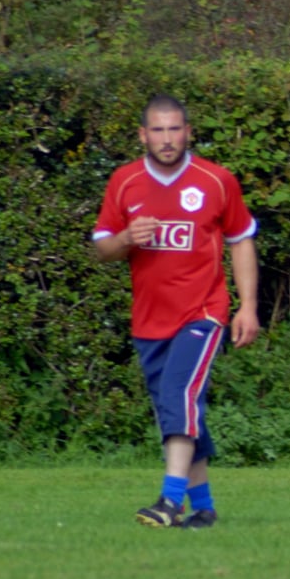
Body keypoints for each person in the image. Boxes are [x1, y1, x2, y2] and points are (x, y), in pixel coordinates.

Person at [91, 95, 260, 527]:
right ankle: (203, 508)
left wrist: (248, 307)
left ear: (189, 132)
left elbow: (241, 238)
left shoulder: (216, 181)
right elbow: (102, 249)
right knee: (182, 412)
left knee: (178, 398)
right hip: (149, 320)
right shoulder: (125, 182)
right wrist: (128, 238)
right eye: (158, 130)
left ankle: (170, 501)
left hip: (202, 313)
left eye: (175, 129)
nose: (167, 139)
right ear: (143, 135)